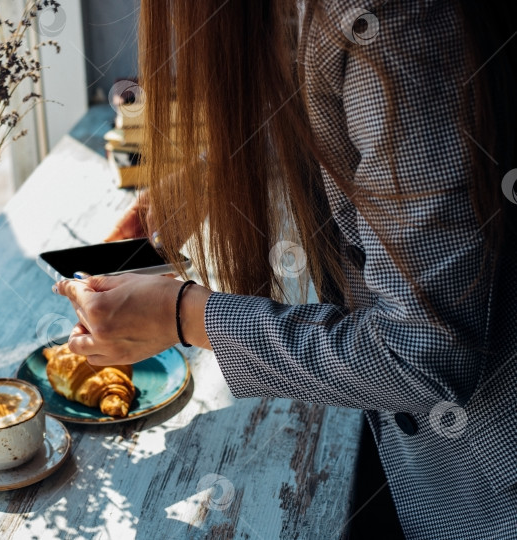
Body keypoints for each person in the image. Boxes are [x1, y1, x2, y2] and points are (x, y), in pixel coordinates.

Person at [56, 1, 517, 538]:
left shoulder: (385, 21)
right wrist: (208, 182)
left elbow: (426, 349)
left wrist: (185, 315)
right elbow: (338, 117)